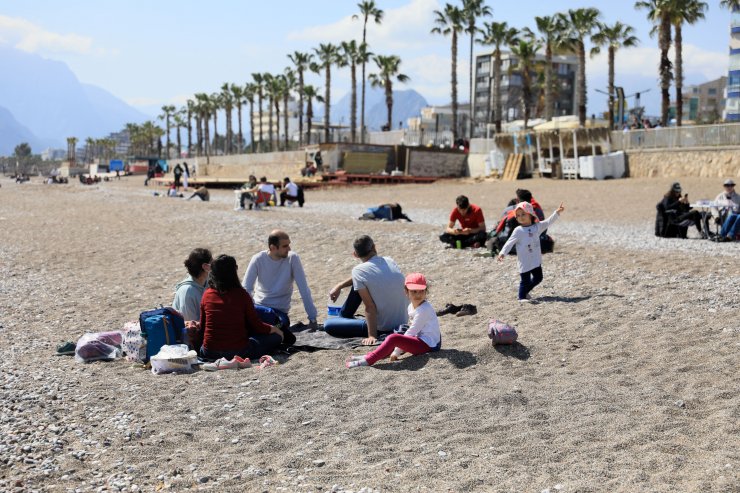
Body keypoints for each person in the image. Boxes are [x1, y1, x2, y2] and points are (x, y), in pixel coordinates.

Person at [188, 254, 283, 361]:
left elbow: (203, 327)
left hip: (209, 352)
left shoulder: (207, 294)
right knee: (275, 337)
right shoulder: (241, 295)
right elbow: (256, 325)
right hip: (239, 352)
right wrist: (274, 329)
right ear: (234, 271)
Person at [345, 273, 441, 368]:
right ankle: (369, 356)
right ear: (406, 292)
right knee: (398, 334)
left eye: (421, 291)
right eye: (414, 291)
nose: (418, 294)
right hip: (422, 338)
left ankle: (368, 360)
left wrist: (396, 352)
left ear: (426, 291)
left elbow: (412, 332)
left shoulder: (423, 309)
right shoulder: (411, 306)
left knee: (393, 338)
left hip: (430, 345)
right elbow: (413, 329)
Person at [324, 235, 408, 345]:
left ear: (355, 255)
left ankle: (344, 318)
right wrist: (339, 285)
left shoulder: (358, 271)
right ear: (374, 247)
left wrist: (372, 335)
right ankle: (345, 318)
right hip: (403, 321)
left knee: (329, 325)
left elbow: (370, 307)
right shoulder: (389, 261)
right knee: (359, 283)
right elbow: (361, 276)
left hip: (383, 327)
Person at [242, 230, 318, 331]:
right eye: (285, 246)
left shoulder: (293, 258)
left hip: (279, 313)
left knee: (281, 325)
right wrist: (248, 312)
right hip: (259, 308)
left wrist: (312, 318)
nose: (289, 249)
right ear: (273, 247)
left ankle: (266, 329)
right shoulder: (258, 259)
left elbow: (304, 289)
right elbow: (246, 289)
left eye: (289, 245)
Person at [497, 201, 565, 302]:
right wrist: (502, 253)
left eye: (523, 214)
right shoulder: (518, 230)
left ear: (530, 214)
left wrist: (557, 212)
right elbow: (509, 243)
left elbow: (548, 222)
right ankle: (521, 297)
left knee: (538, 278)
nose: (521, 217)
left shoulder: (537, 227)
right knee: (525, 281)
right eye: (518, 215)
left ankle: (525, 292)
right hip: (524, 261)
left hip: (535, 260)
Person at [172, 248, 213, 322]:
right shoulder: (187, 291)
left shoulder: (208, 283)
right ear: (206, 267)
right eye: (212, 263)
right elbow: (189, 324)